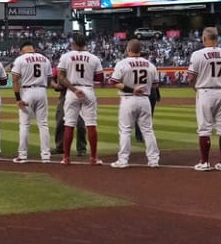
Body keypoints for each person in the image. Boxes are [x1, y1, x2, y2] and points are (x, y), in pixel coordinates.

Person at [188, 26, 221, 170]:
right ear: (217, 38)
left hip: (205, 91)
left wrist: (194, 86)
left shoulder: (197, 54)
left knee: (204, 129)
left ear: (204, 38)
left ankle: (204, 162)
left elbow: (191, 77)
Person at [110, 38, 161, 168]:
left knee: (125, 130)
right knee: (148, 130)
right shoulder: (150, 65)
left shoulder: (122, 64)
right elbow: (155, 84)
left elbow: (114, 82)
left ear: (128, 49)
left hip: (128, 98)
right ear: (140, 50)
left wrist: (132, 89)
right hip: (145, 99)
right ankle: (153, 160)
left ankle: (123, 160)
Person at [56, 33, 103, 166]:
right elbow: (99, 78)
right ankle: (94, 158)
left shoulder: (66, 56)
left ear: (74, 44)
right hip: (88, 89)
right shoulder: (94, 58)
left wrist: (74, 89)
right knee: (91, 124)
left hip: (72, 91)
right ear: (85, 44)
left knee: (69, 124)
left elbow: (61, 77)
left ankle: (66, 158)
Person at [9, 39, 53, 163]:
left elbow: (15, 80)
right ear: (33, 48)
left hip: (27, 92)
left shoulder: (20, 59)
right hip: (42, 91)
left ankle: (22, 155)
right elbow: (49, 80)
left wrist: (18, 99)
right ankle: (46, 155)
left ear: (22, 49)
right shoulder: (45, 59)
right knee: (43, 124)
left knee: (24, 124)